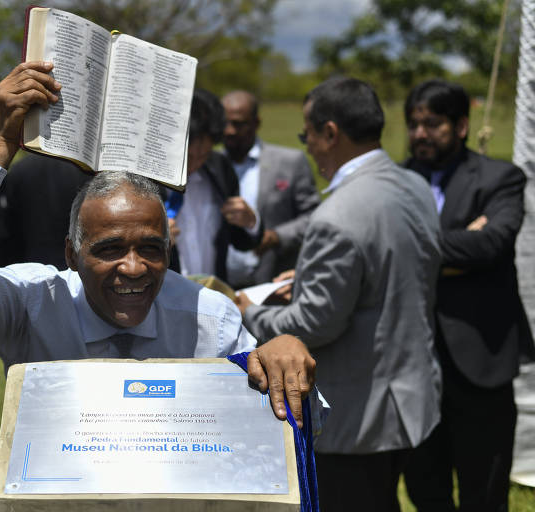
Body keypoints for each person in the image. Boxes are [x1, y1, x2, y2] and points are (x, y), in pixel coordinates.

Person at [0, 61, 317, 426]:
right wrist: (1, 147)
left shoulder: (208, 317)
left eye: (152, 249)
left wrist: (281, 356)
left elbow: (293, 423)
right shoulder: (33, 304)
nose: (134, 268)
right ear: (71, 254)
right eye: (109, 249)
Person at [236, 77, 443, 511]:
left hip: (359, 415)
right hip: (413, 398)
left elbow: (315, 323)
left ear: (330, 133)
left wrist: (251, 310)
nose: (307, 146)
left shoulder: (336, 215)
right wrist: (310, 275)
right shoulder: (415, 186)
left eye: (306, 135)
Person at [401, 79, 535, 512]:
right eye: (414, 124)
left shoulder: (500, 177)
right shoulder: (397, 181)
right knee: (425, 488)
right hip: (413, 363)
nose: (420, 134)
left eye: (433, 124)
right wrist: (458, 246)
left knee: (485, 492)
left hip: (482, 360)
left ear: (461, 125)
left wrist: (413, 247)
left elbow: (492, 244)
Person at [221, 90, 320, 288]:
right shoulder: (208, 167)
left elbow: (315, 217)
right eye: (224, 123)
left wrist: (276, 236)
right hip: (220, 285)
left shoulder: (289, 162)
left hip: (272, 283)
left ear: (256, 123)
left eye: (238, 124)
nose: (229, 131)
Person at [169, 89, 262, 286]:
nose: (193, 166)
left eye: (202, 156)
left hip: (213, 297)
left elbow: (242, 240)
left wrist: (250, 221)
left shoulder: (219, 168)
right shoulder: (142, 180)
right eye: (187, 157)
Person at [0, 153, 90, 268]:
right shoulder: (85, 168)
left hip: (30, 266)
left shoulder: (20, 168)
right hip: (76, 264)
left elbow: (9, 225)